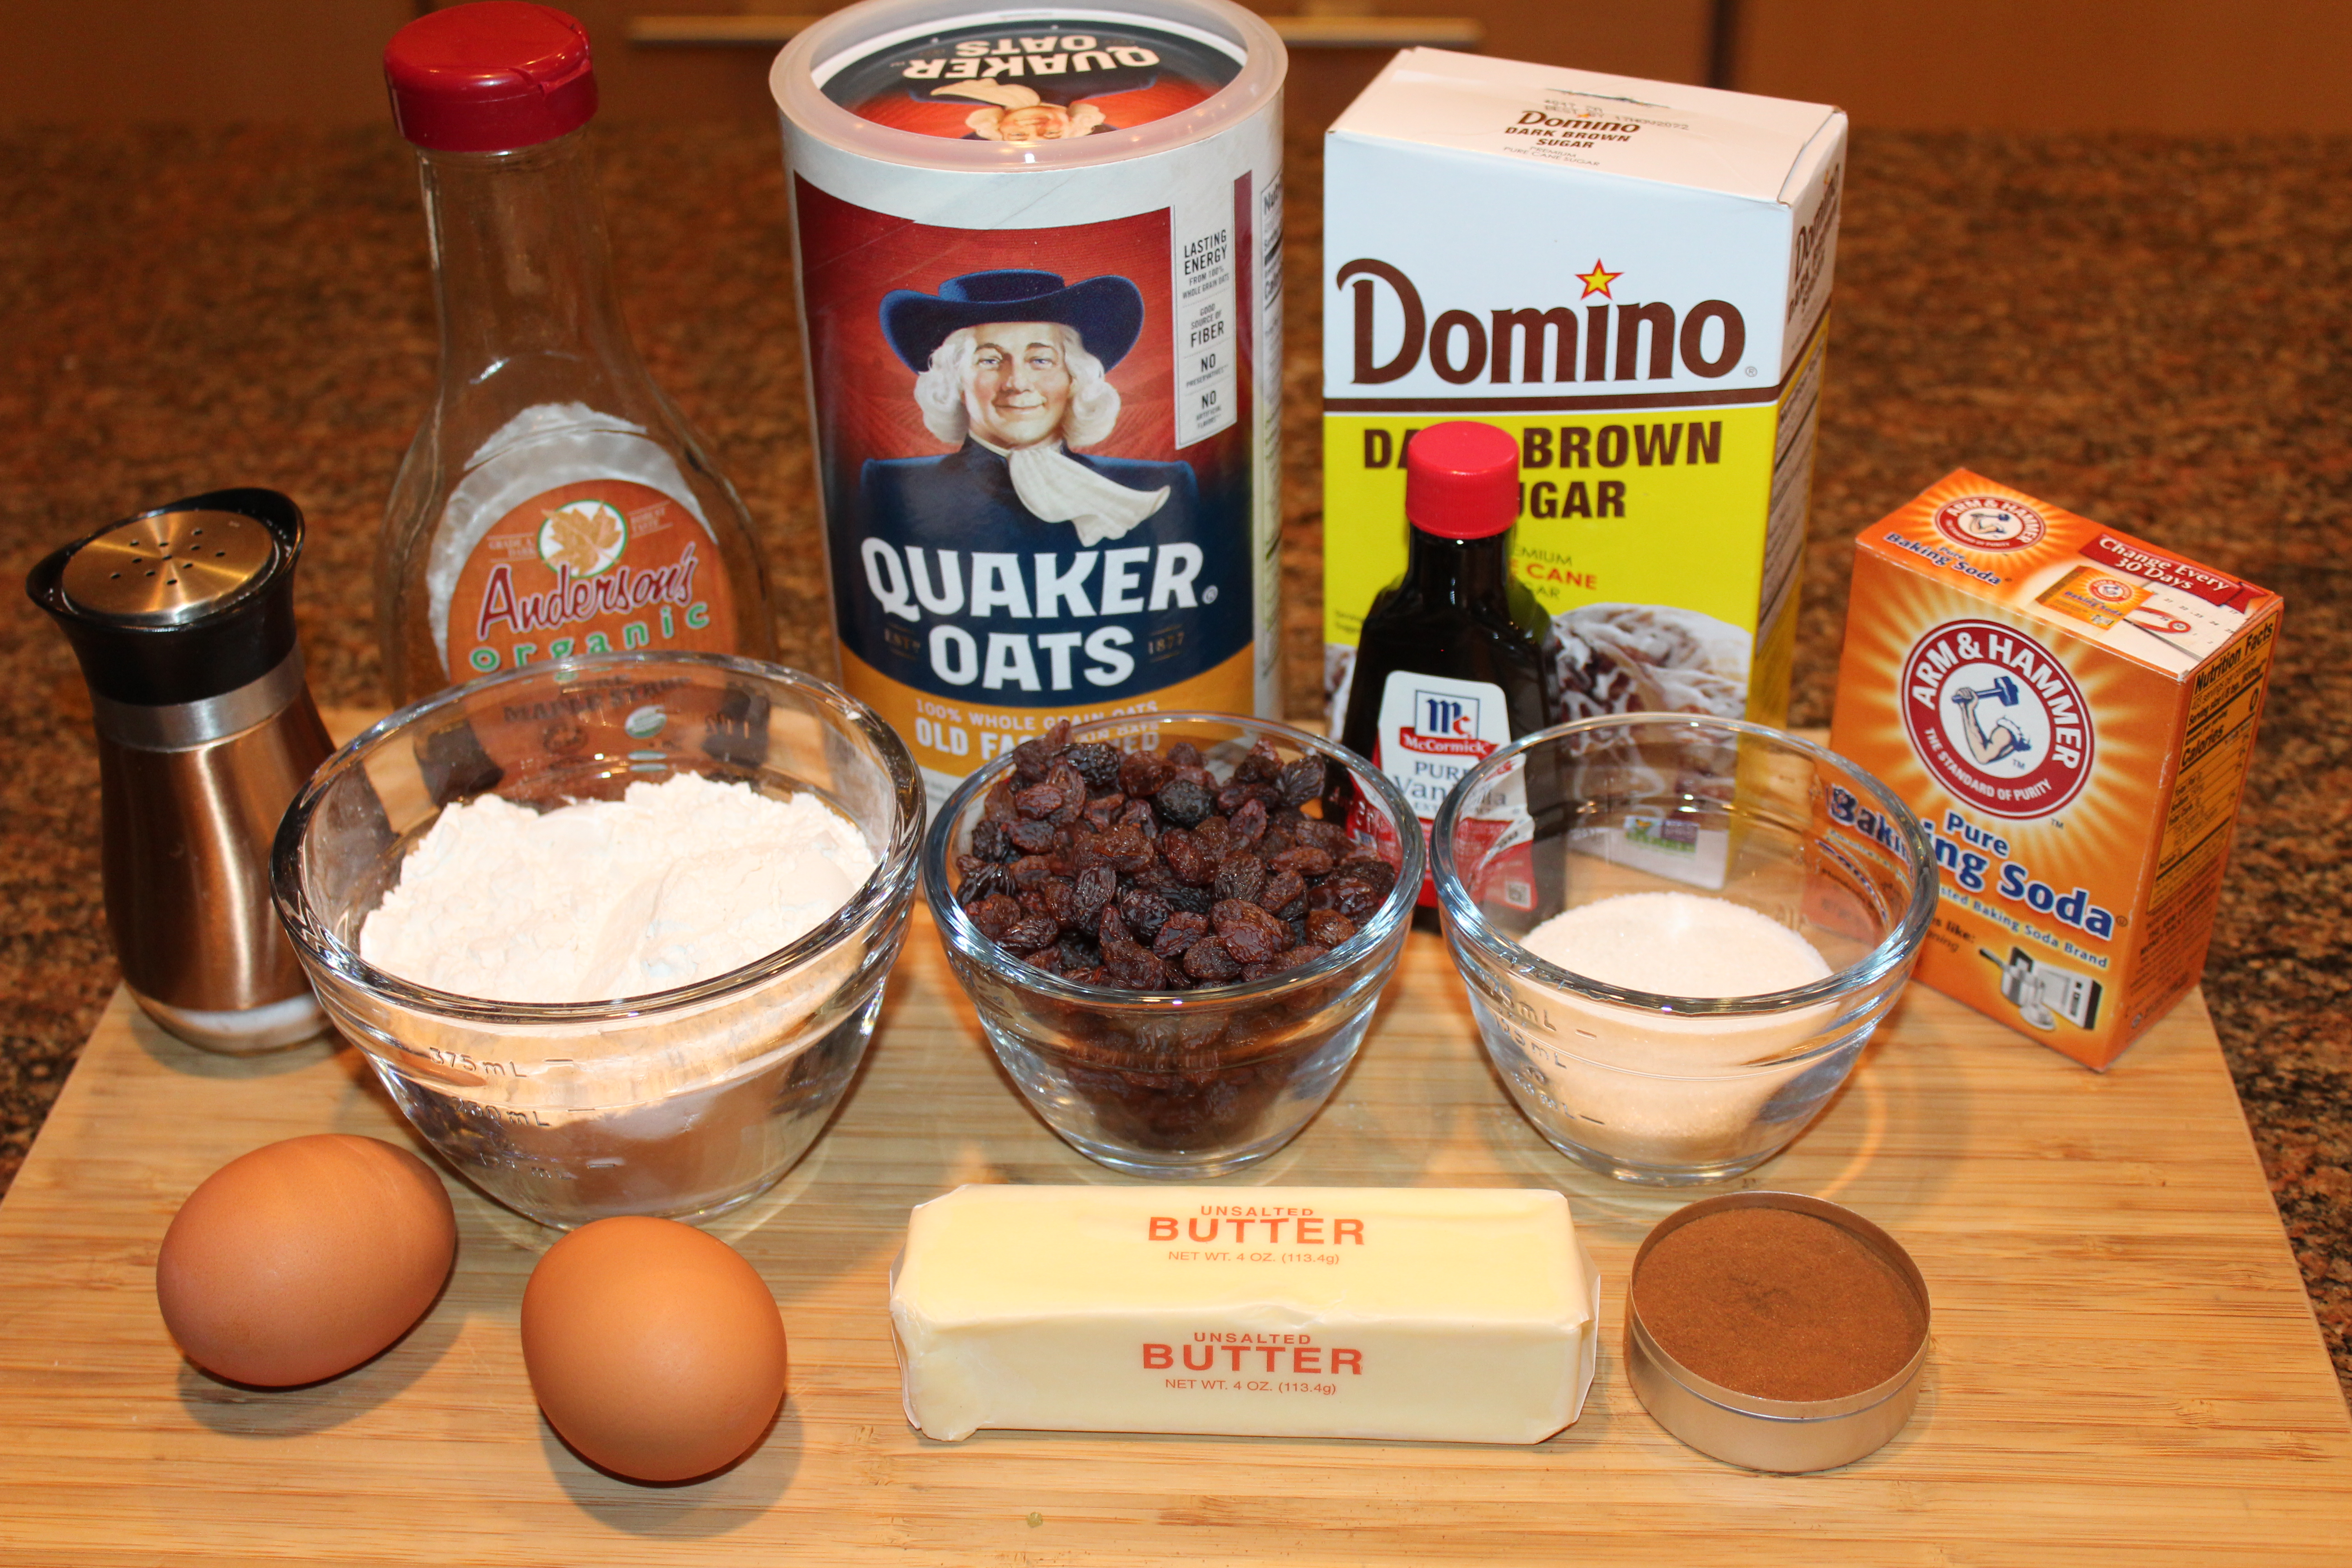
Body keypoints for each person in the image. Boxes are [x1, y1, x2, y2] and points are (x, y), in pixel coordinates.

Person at [859, 269, 1198, 553]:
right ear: (955, 381)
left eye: (1040, 360)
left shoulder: (1154, 488)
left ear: (1074, 378)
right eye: (990, 361)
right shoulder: (892, 487)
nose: (1017, 382)